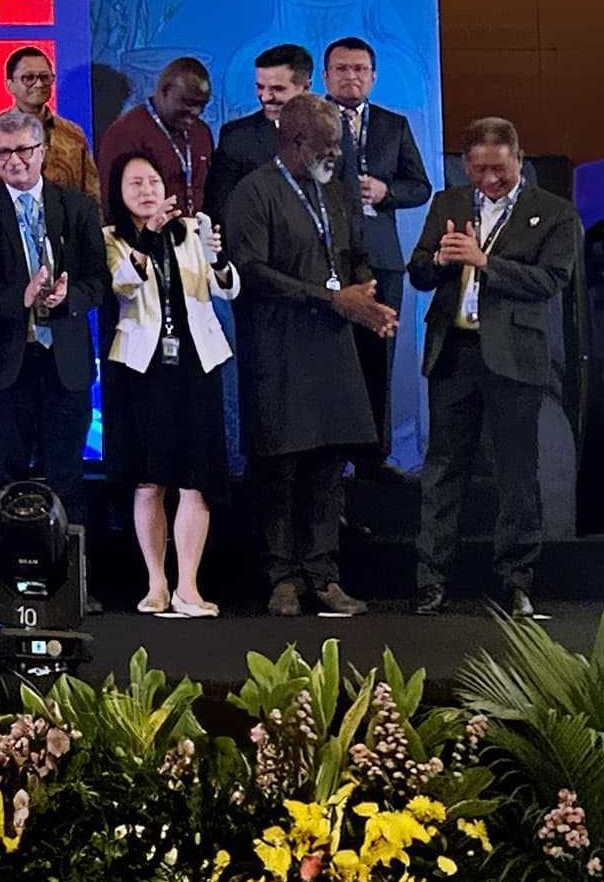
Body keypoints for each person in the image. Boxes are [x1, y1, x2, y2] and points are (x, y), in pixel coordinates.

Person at [227, 92, 396, 618]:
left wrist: (368, 298)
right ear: (297, 142)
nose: (338, 156)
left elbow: (353, 257)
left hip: (333, 348)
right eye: (329, 147)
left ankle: (324, 576)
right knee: (281, 467)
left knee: (328, 468)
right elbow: (250, 271)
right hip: (278, 348)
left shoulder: (339, 194)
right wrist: (330, 297)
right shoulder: (253, 193)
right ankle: (281, 577)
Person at [409, 117, 578, 617]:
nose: (488, 181)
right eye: (479, 170)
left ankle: (516, 579)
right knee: (442, 471)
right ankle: (431, 580)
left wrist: (485, 262)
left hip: (515, 358)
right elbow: (419, 272)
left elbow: (552, 280)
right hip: (455, 354)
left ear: (519, 161)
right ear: (465, 166)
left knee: (516, 474)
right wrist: (440, 260)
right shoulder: (449, 204)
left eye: (499, 171)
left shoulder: (554, 213)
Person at [0, 109, 109, 558]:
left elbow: (99, 281)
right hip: (5, 362)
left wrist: (68, 298)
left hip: (64, 360)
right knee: (8, 477)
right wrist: (20, 297)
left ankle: (73, 581)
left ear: (43, 152)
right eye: (4, 152)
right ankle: (10, 582)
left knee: (66, 477)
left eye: (24, 151)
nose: (15, 161)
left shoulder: (77, 206)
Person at [102, 150, 237, 618]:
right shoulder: (112, 239)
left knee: (195, 481)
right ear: (119, 193)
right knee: (149, 482)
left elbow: (224, 288)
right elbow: (123, 287)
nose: (147, 191)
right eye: (135, 184)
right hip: (142, 370)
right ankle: (156, 584)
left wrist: (219, 261)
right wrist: (150, 235)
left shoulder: (192, 232)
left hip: (196, 364)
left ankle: (189, 587)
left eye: (154, 183)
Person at [322, 36, 433, 481]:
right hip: (327, 256)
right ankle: (328, 453)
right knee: (330, 358)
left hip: (382, 256)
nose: (352, 76)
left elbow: (420, 186)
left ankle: (374, 455)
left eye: (360, 69)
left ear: (374, 76)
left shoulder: (393, 124)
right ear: (326, 76)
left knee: (378, 356)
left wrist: (388, 193)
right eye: (343, 69)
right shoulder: (311, 121)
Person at [0, 48, 100, 200]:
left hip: (68, 221)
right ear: (9, 85)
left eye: (45, 77)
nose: (38, 84)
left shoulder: (73, 133)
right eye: (29, 78)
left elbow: (91, 192)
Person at [206, 42, 311, 223]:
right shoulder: (237, 137)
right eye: (260, 87)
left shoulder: (333, 132)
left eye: (277, 89)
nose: (265, 97)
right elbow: (219, 209)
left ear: (305, 88)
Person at [99, 57, 214, 219]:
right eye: (188, 102)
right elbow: (112, 204)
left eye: (202, 105)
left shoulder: (202, 133)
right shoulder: (125, 134)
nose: (196, 112)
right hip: (147, 239)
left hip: (195, 239)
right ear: (164, 90)